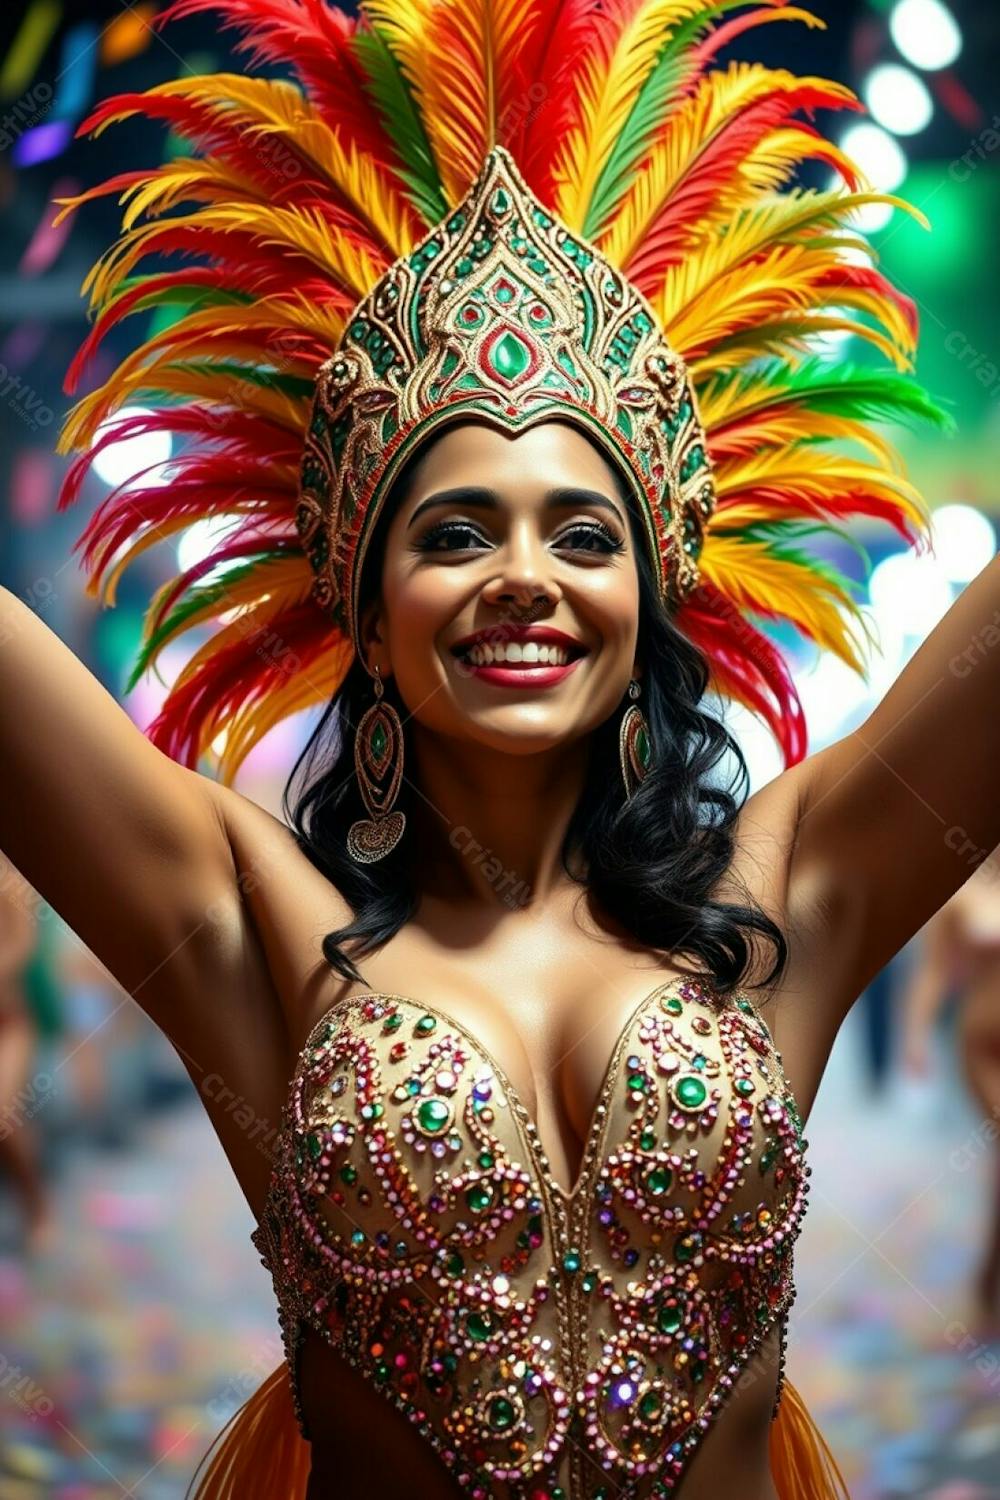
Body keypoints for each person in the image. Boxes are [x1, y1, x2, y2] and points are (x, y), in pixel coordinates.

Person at [2, 0, 987, 1494]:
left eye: (582, 534)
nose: (524, 574)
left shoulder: (794, 892)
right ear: (367, 607)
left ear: (650, 602)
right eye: (457, 532)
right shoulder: (261, 930)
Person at [901, 848, 1000, 1337]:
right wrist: (916, 1036)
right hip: (983, 1046)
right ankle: (987, 1281)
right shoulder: (963, 891)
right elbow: (935, 972)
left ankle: (988, 1275)